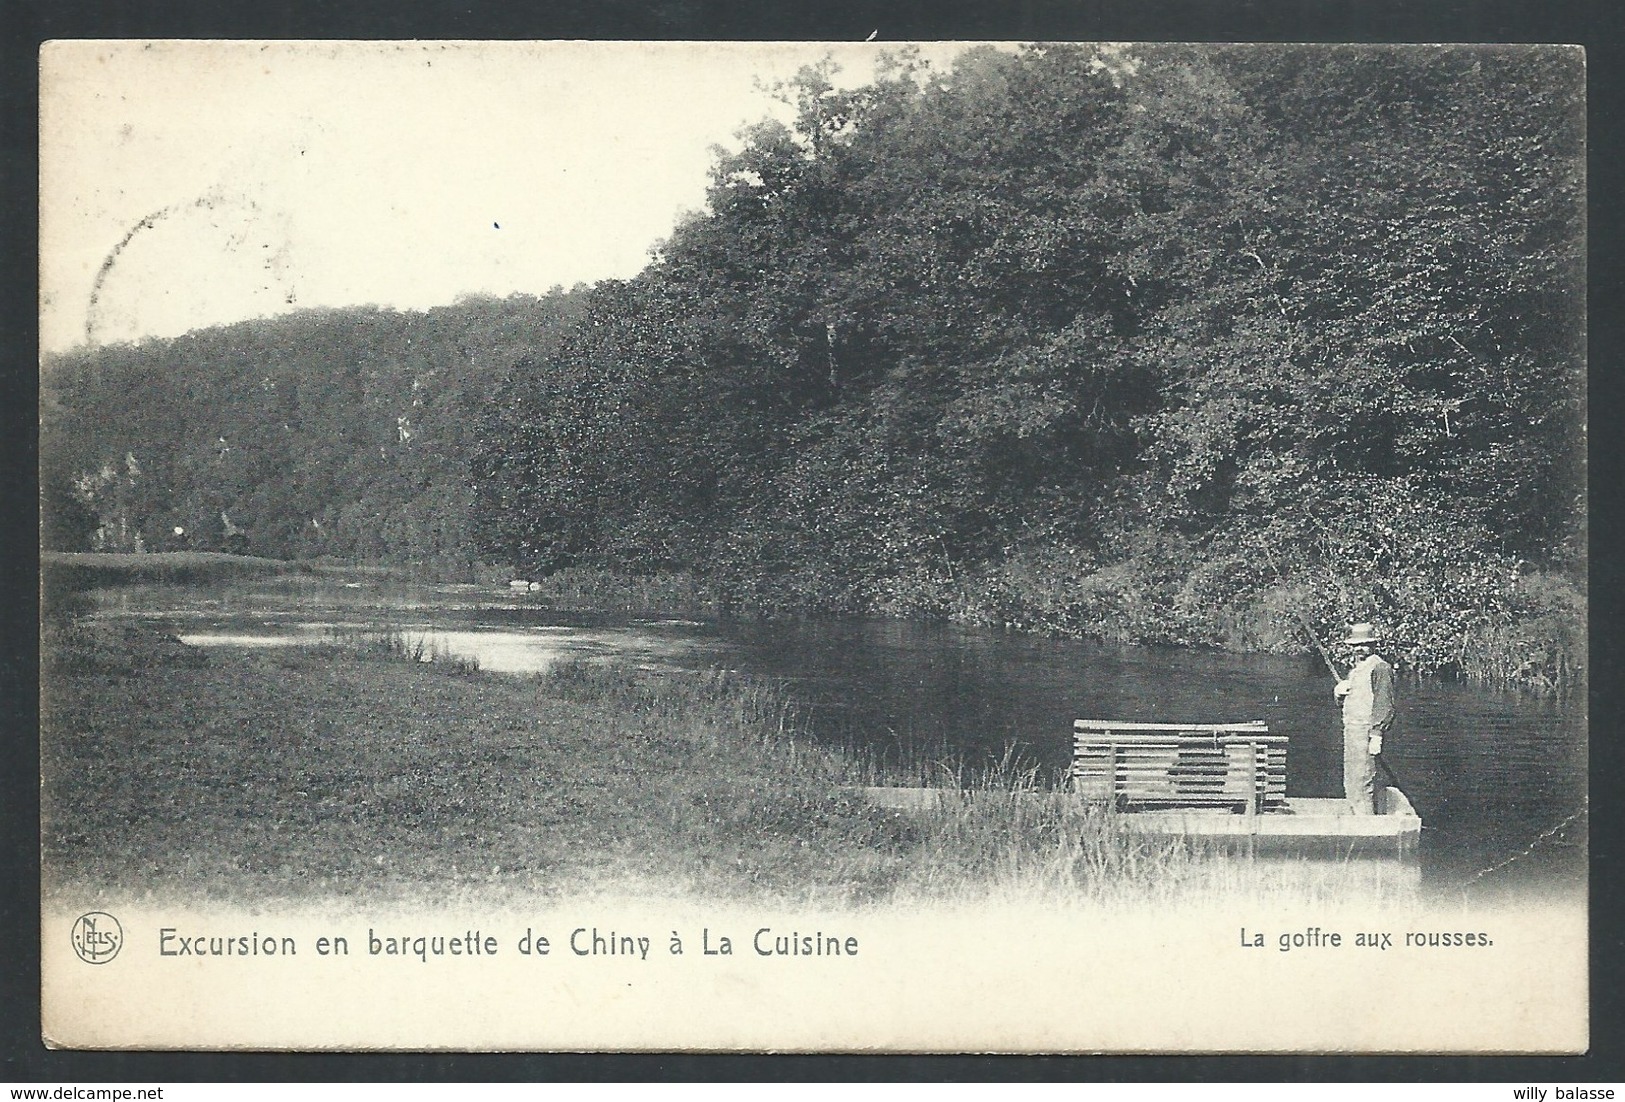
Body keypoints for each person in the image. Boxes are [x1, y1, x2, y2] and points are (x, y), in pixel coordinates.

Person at [1333, 623, 1395, 815]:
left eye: (1364, 644)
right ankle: (1355, 819)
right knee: (1351, 780)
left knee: (1362, 780)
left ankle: (1366, 825)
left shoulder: (1380, 667)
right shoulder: (1357, 669)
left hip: (1366, 733)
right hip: (1351, 731)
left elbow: (1384, 702)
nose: (1359, 649)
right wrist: (1338, 694)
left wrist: (1377, 734)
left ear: (1373, 645)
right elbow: (1352, 699)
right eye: (1355, 645)